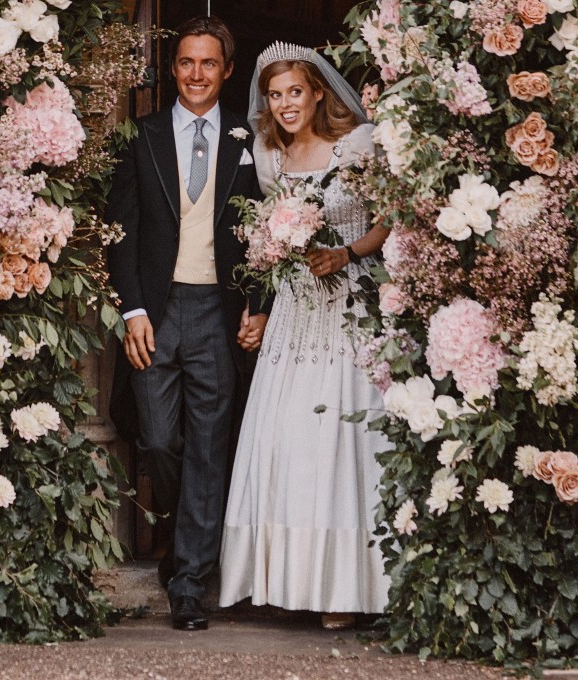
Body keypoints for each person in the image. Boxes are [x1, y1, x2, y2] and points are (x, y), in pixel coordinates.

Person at [218, 42, 393, 630]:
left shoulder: (358, 145)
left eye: (295, 91)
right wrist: (260, 307)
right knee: (289, 437)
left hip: (350, 304)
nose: (285, 104)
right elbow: (269, 249)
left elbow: (387, 219)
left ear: (319, 91)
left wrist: (346, 252)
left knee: (343, 440)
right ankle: (284, 579)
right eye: (275, 95)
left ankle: (347, 587)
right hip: (295, 312)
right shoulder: (270, 156)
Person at [105, 16, 268, 631]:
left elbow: (264, 234)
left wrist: (257, 303)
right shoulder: (141, 136)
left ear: (227, 70)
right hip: (157, 309)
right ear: (171, 69)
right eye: (185, 63)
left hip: (217, 313)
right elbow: (119, 232)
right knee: (158, 440)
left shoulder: (246, 141)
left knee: (208, 447)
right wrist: (133, 309)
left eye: (208, 64)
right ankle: (180, 537)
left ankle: (191, 583)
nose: (196, 74)